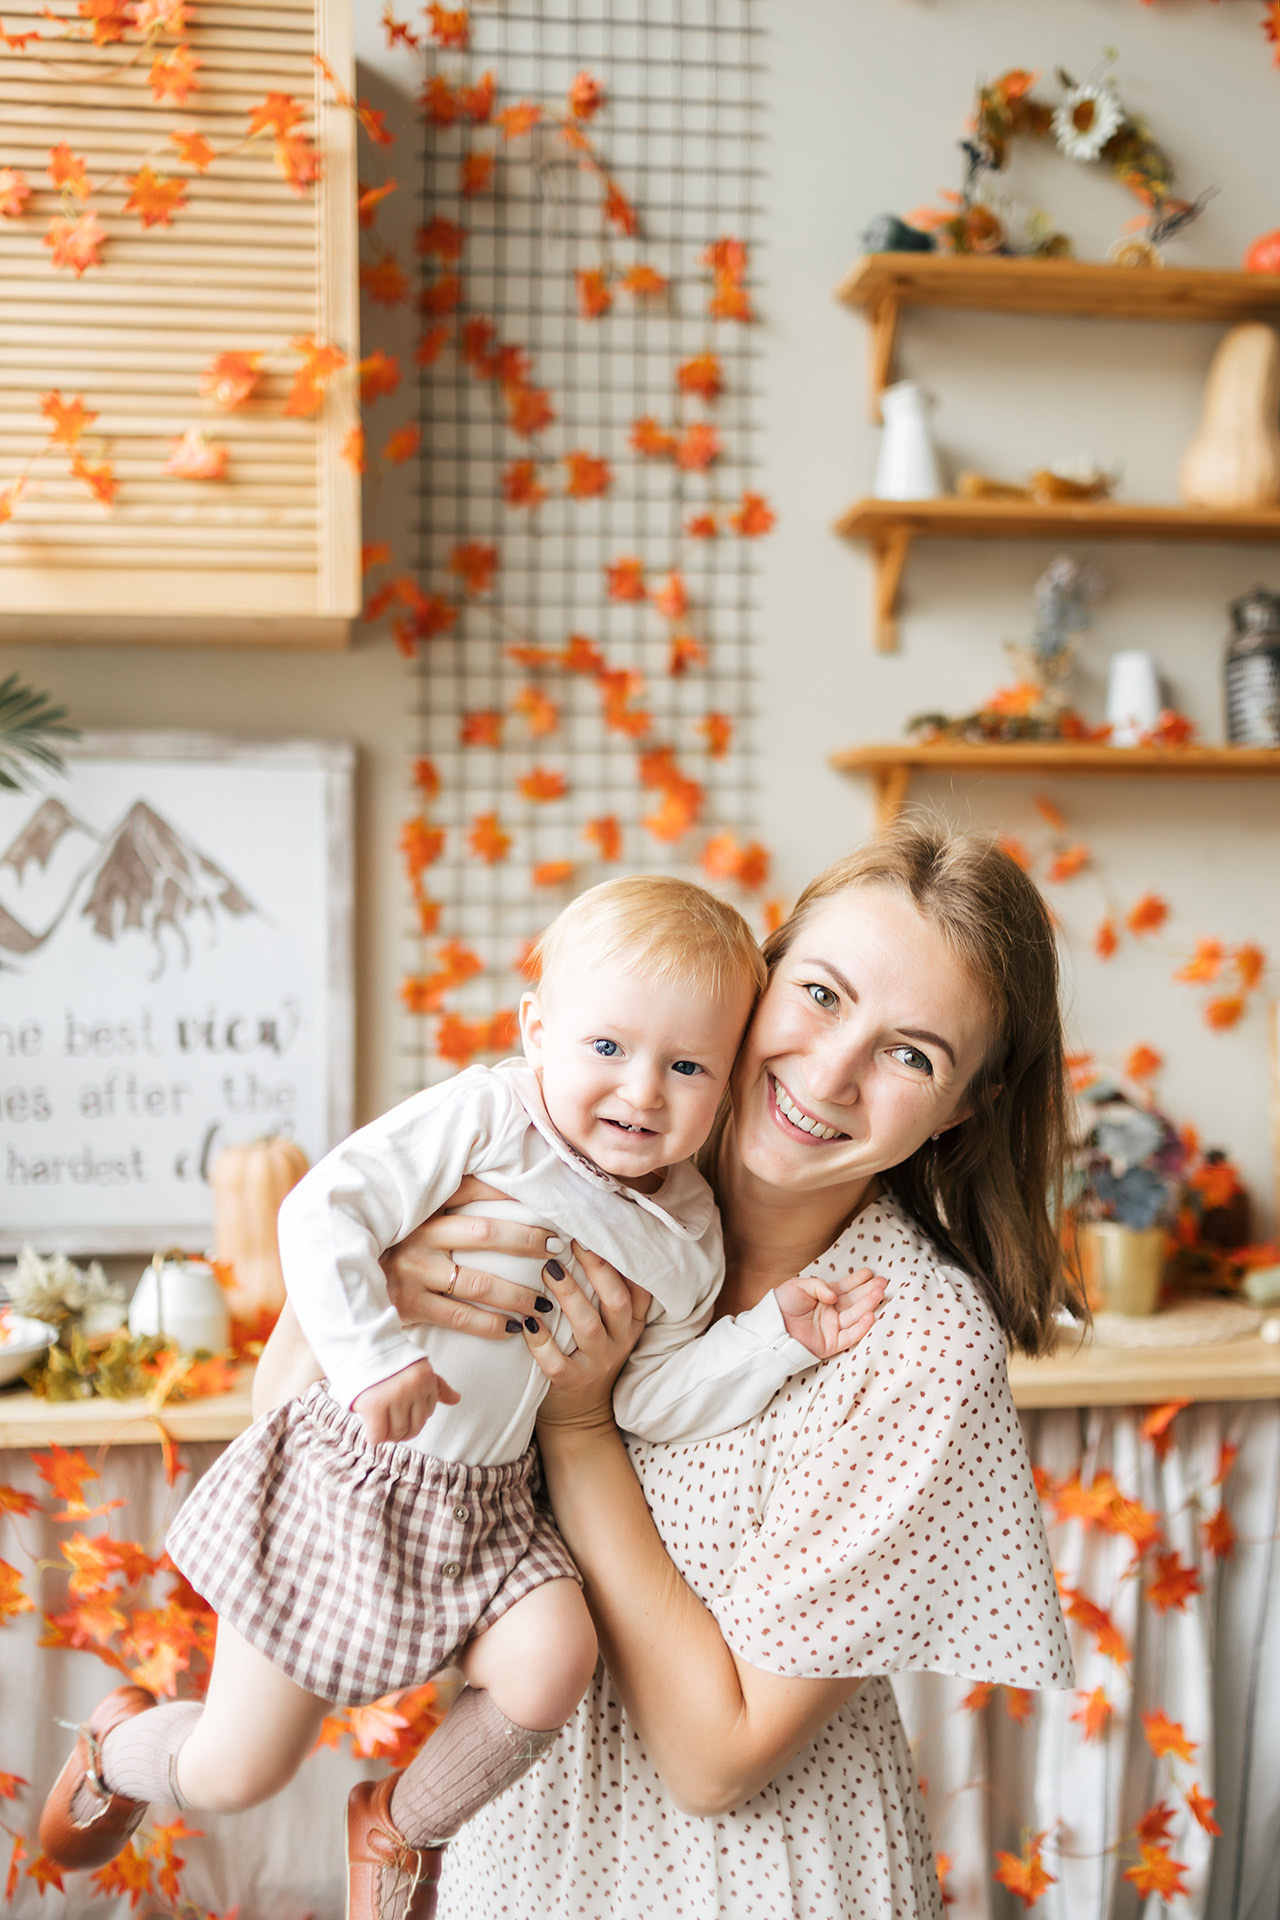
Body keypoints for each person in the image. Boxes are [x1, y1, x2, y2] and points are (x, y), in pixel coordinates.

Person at [38, 875, 881, 1920]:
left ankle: (399, 1820)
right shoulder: (486, 1119)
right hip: (349, 1478)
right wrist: (371, 1358)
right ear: (537, 1029)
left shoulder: (686, 1230)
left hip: (488, 1508)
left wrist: (768, 1342)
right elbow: (320, 1212)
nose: (642, 1091)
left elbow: (652, 1396)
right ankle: (120, 1748)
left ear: (726, 1082)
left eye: (686, 1065)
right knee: (236, 1771)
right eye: (607, 1048)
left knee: (551, 1663)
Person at [339, 820, 1080, 1919]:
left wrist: (581, 1425)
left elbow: (717, 1759)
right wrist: (381, 1284)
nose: (828, 1073)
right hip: (520, 1840)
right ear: (757, 976)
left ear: (959, 1109)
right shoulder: (565, 1154)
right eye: (821, 995)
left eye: (909, 1053)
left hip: (757, 1874)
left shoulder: (917, 1341)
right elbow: (292, 1430)